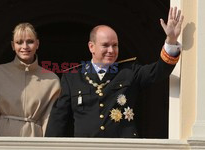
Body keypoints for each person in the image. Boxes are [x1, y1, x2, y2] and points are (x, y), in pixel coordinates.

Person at [45, 7, 184, 138]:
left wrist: (171, 40)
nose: (111, 50)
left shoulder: (129, 72)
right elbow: (59, 119)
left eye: (115, 45)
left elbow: (159, 71)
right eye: (105, 45)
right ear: (91, 47)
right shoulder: (73, 77)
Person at [0, 23, 61, 137]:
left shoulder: (51, 80)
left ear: (37, 44)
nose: (25, 46)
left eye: (30, 41)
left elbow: (49, 121)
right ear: (12, 46)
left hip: (34, 140)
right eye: (19, 42)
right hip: (1, 138)